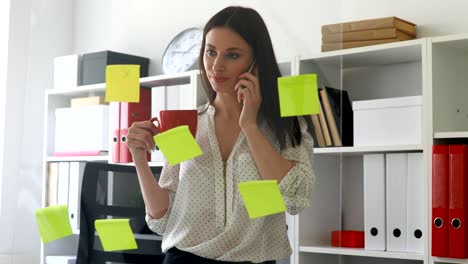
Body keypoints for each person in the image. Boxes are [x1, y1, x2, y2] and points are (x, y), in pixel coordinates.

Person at [126, 6, 315, 264]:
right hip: (185, 258)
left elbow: (296, 197)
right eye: (210, 52)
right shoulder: (187, 123)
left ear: (256, 61)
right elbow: (163, 216)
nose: (216, 66)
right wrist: (139, 157)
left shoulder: (284, 126)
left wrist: (249, 125)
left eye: (232, 55)